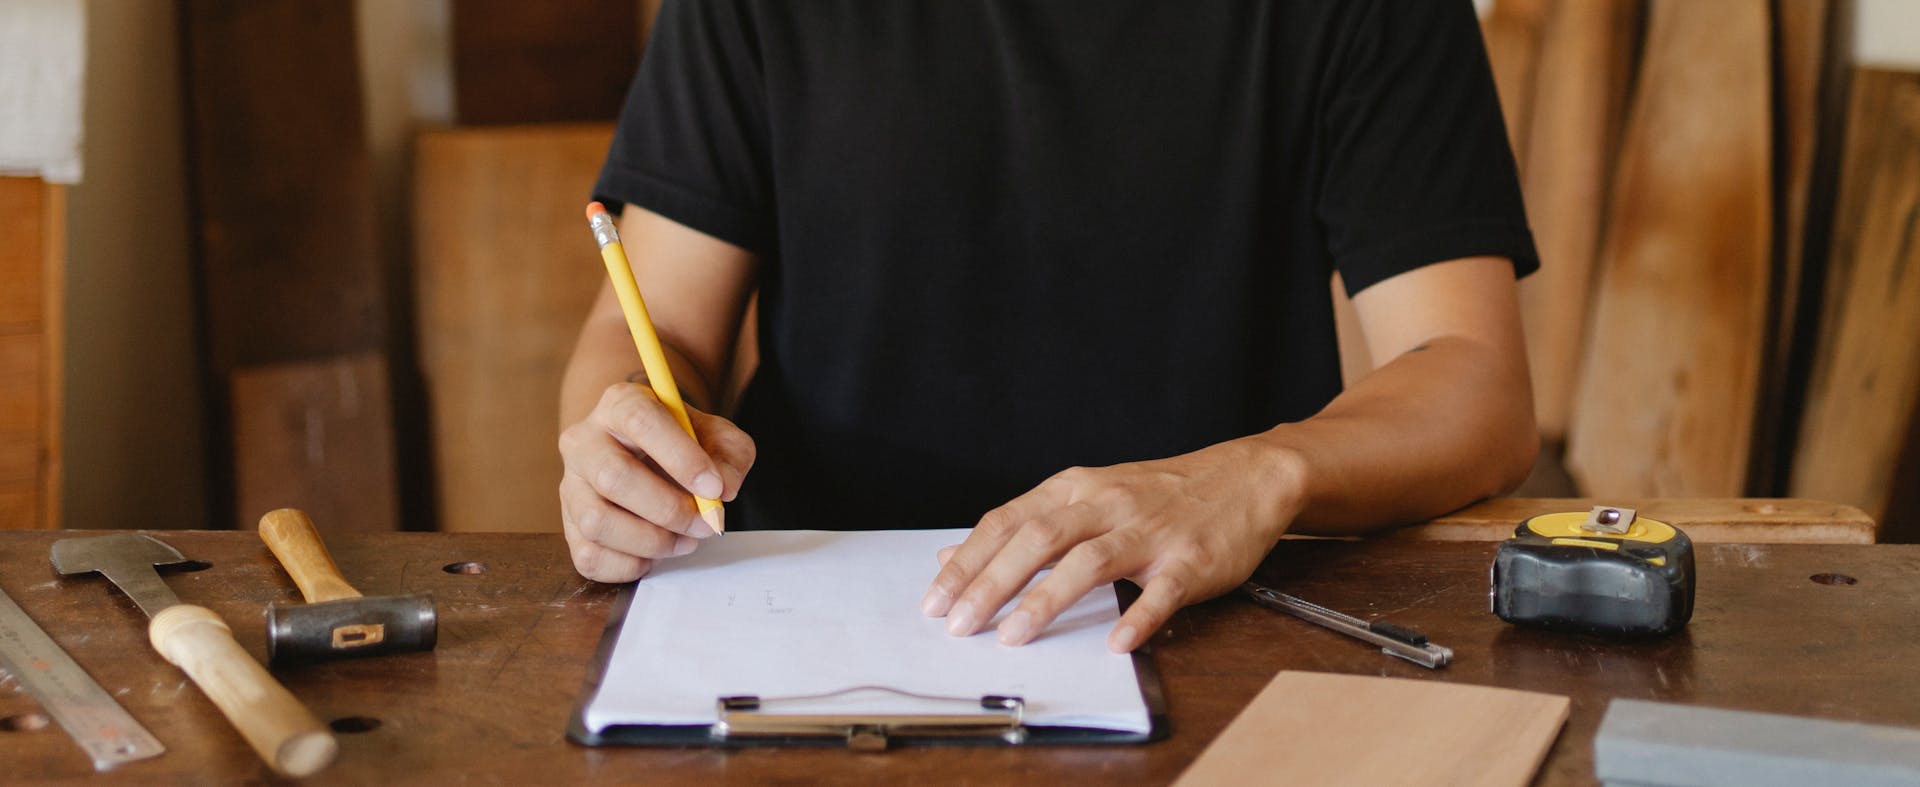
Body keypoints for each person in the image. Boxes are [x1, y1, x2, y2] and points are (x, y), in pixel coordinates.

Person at [557, 0, 1539, 653]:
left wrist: (1262, 474)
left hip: (1202, 620)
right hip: (808, 620)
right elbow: (653, 332)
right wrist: (626, 438)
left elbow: (1473, 378)